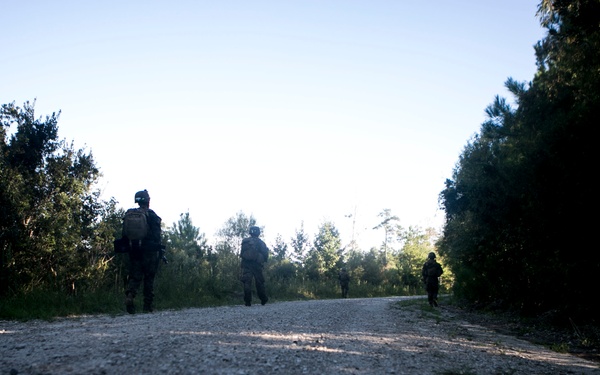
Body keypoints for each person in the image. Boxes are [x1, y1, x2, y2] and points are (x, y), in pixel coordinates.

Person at [122, 189, 162, 314]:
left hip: (134, 250)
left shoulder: (130, 214)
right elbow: (157, 235)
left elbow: (124, 234)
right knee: (149, 278)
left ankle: (130, 296)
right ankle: (147, 306)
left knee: (135, 276)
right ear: (147, 201)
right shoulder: (151, 215)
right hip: (149, 251)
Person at [240, 226, 269, 306]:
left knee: (247, 282)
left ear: (250, 232)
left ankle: (247, 301)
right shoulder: (261, 243)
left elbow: (241, 254)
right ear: (258, 233)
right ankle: (263, 299)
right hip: (257, 265)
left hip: (247, 264)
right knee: (259, 282)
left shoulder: (245, 242)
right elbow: (265, 255)